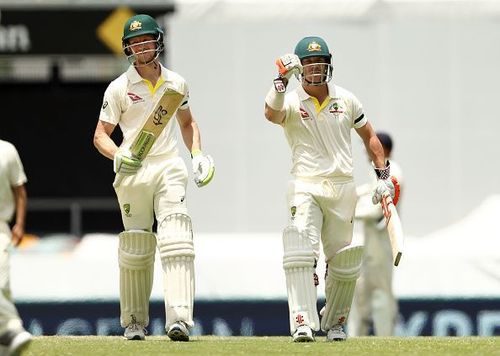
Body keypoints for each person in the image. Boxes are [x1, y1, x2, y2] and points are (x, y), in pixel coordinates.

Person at [264, 36, 399, 342]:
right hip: (305, 184)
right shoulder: (290, 99)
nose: (316, 70)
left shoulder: (347, 100)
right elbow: (271, 114)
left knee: (342, 260)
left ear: (329, 66)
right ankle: (301, 320)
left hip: (342, 187)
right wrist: (279, 82)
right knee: (302, 252)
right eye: (310, 65)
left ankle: (335, 321)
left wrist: (383, 177)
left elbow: (370, 138)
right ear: (300, 70)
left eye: (320, 64)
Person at [93, 14, 214, 342]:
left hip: (168, 166)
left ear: (157, 42)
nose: (141, 46)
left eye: (146, 40)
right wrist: (119, 154)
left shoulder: (176, 83)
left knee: (176, 235)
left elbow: (188, 124)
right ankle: (134, 322)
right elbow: (100, 135)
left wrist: (198, 154)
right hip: (133, 171)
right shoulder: (118, 88)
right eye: (135, 42)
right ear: (128, 47)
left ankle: (179, 319)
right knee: (136, 246)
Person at [350, 132, 403, 336]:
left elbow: (379, 209)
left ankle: (385, 338)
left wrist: (350, 212)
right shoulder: (380, 172)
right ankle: (356, 339)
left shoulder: (392, 172)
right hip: (370, 244)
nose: (365, 149)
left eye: (370, 145)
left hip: (382, 243)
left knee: (381, 293)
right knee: (360, 294)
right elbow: (369, 190)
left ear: (384, 149)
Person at [0, 139, 33, 355]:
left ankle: (9, 331)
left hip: (1, 227)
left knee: (2, 282)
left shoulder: (7, 150)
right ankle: (10, 328)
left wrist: (19, 224)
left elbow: (19, 190)